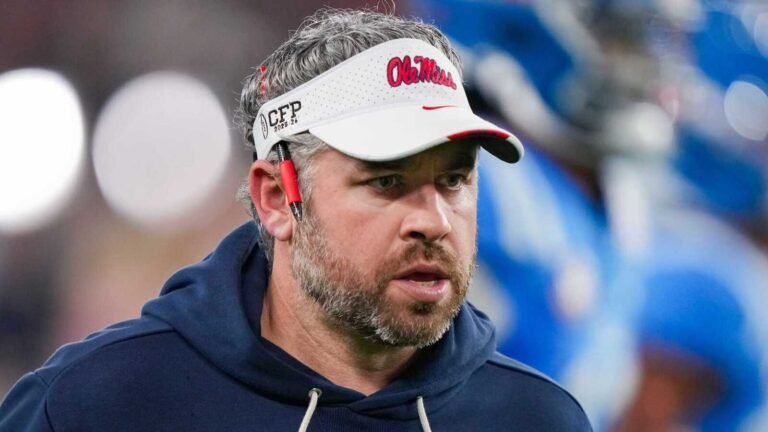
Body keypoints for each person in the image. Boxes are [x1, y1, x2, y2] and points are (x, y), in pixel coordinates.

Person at [0, 8, 592, 431]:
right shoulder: (96, 405)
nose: (434, 221)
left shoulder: (539, 419)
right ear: (277, 199)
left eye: (454, 180)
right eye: (386, 181)